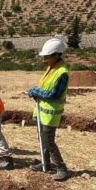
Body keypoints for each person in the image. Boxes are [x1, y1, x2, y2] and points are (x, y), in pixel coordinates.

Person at [27, 36, 70, 181]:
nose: (44, 59)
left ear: (56, 55)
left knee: (48, 141)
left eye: (47, 57)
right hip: (41, 111)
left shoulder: (62, 72)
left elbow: (54, 94)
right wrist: (36, 91)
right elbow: (44, 87)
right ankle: (46, 163)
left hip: (51, 114)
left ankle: (61, 168)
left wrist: (36, 91)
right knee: (42, 139)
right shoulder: (51, 68)